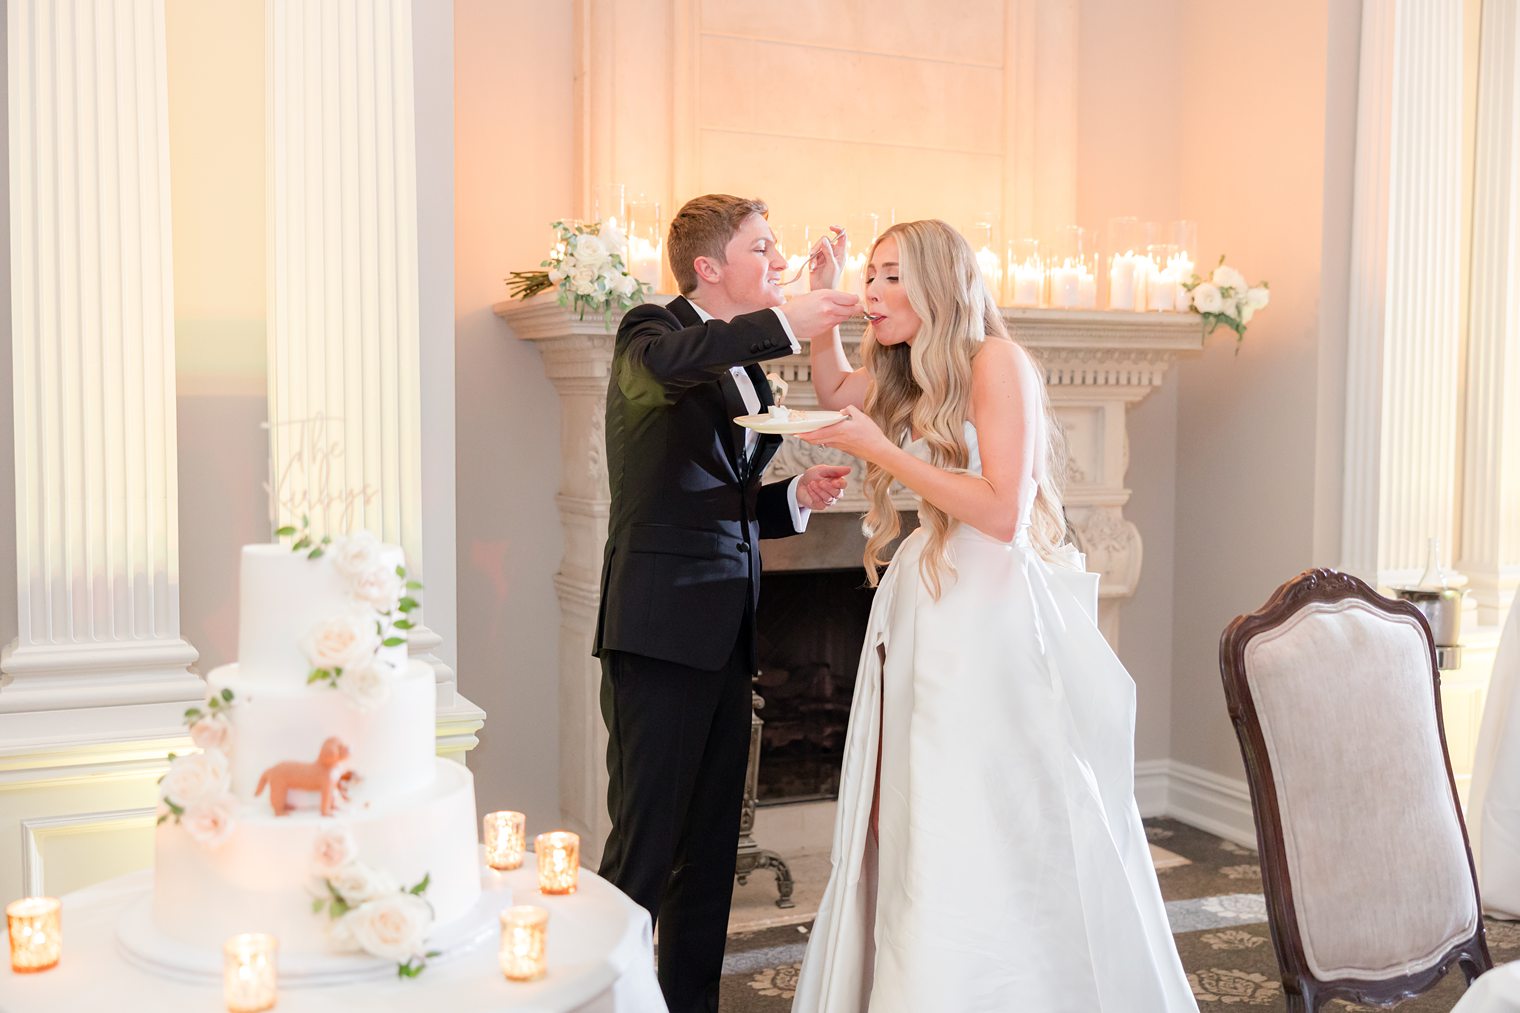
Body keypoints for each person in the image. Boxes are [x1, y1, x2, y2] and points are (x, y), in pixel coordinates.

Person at [790, 219, 1199, 1012]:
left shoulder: (996, 361)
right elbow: (837, 396)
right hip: (933, 604)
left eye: (887, 276)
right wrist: (823, 304)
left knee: (980, 801)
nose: (871, 293)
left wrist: (885, 453)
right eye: (867, 277)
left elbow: (1001, 510)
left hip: (991, 612)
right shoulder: (915, 369)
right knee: (918, 808)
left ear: (939, 283)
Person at [592, 194, 859, 1013]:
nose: (777, 261)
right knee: (644, 849)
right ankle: (601, 998)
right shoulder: (650, 333)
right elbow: (672, 369)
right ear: (710, 267)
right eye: (763, 247)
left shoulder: (744, 367)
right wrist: (791, 319)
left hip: (724, 635)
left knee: (708, 854)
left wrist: (795, 499)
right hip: (661, 632)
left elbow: (720, 498)